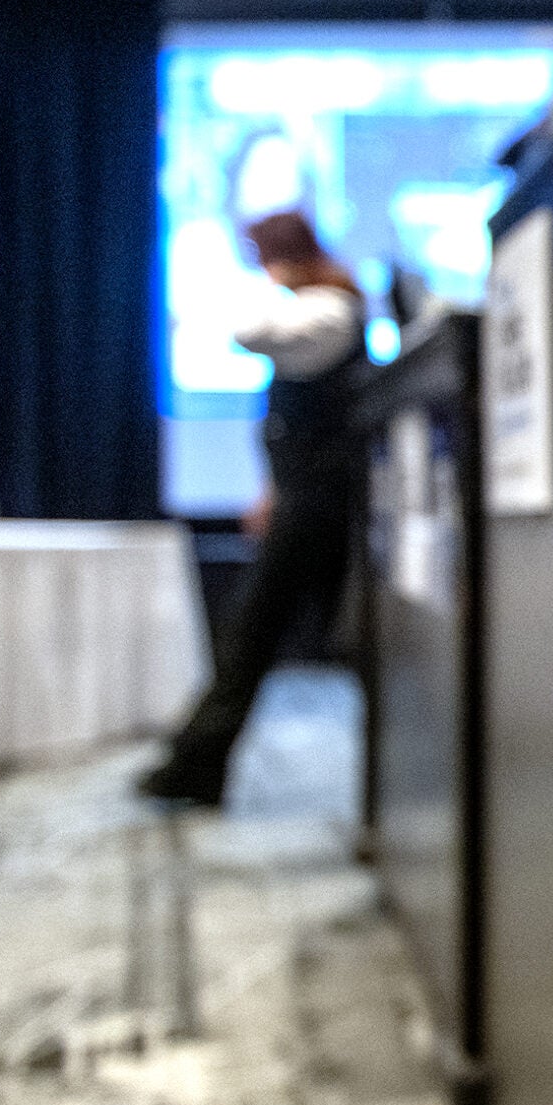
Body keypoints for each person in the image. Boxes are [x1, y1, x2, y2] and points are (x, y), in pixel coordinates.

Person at [141, 210, 369, 807]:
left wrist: (269, 283)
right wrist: (271, 492)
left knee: (263, 633)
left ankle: (195, 764)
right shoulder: (311, 304)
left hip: (322, 502)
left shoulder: (329, 309)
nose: (261, 269)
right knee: (269, 635)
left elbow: (248, 331)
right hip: (300, 496)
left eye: (263, 255)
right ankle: (197, 766)